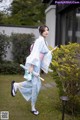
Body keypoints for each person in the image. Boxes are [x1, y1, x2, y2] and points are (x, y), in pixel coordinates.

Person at [11, 25, 52, 115]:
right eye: (45, 30)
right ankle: (33, 108)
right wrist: (32, 66)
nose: (47, 32)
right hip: (33, 65)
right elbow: (35, 53)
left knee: (35, 85)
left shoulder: (44, 41)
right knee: (35, 86)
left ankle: (16, 85)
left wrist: (49, 53)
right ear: (41, 32)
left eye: (47, 30)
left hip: (36, 65)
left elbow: (44, 54)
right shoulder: (39, 40)